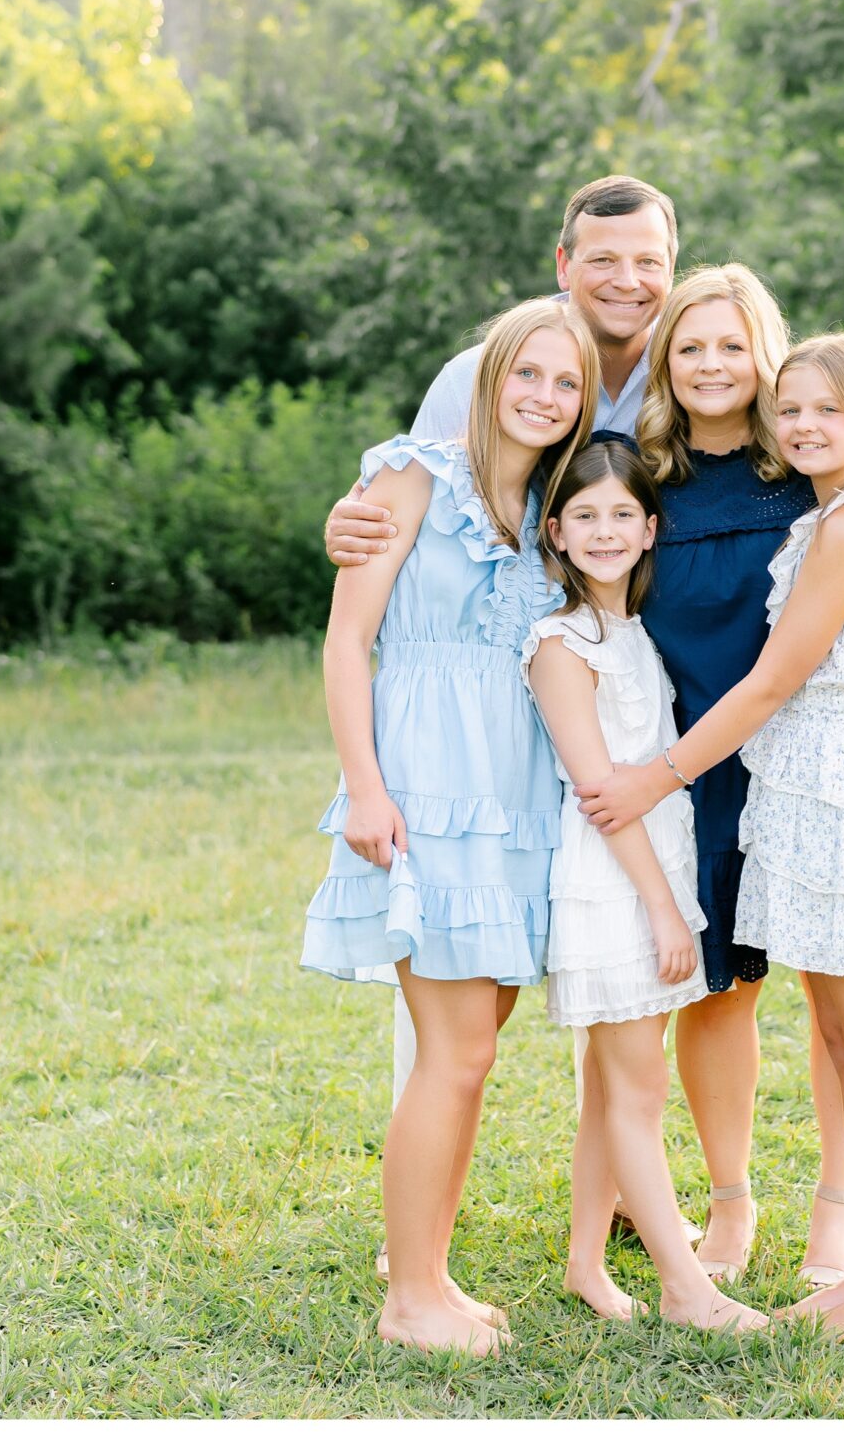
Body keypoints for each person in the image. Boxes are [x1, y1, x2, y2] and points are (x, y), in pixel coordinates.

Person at [323, 176, 844, 1272]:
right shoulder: (540, 387)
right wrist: (360, 513)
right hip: (643, 733)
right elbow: (450, 499)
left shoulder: (793, 445)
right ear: (563, 262)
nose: (630, 283)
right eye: (604, 260)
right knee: (652, 980)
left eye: (648, 263)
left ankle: (841, 1208)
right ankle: (475, 1226)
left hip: (798, 742)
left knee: (832, 984)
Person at [578, 332, 844, 1340]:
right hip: (805, 790)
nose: (799, 426)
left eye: (825, 412)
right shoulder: (833, 511)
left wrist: (657, 773)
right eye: (789, 409)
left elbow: (772, 678)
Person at [299, 298, 598, 1357]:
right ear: (488, 374)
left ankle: (431, 1276)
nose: (544, 398)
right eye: (528, 375)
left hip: (517, 792)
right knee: (452, 1050)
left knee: (475, 1048)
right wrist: (364, 787)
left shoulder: (554, 504)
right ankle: (411, 1294)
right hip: (426, 785)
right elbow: (347, 642)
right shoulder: (413, 473)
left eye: (566, 384)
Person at [524, 441, 769, 1333]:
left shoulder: (631, 632)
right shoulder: (560, 645)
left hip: (655, 872)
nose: (604, 531)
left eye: (622, 514)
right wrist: (666, 911)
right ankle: (683, 1285)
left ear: (651, 527)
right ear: (554, 531)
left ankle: (587, 1263)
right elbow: (601, 796)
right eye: (583, 516)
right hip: (615, 886)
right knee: (636, 1090)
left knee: (611, 1084)